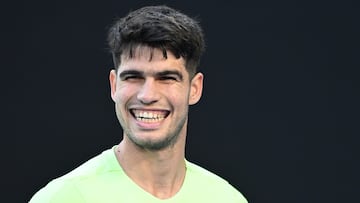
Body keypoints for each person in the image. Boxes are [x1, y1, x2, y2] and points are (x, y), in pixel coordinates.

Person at [29, 5, 248, 203]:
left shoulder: (227, 198)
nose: (147, 95)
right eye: (133, 77)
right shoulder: (63, 197)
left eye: (167, 78)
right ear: (114, 86)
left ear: (194, 88)